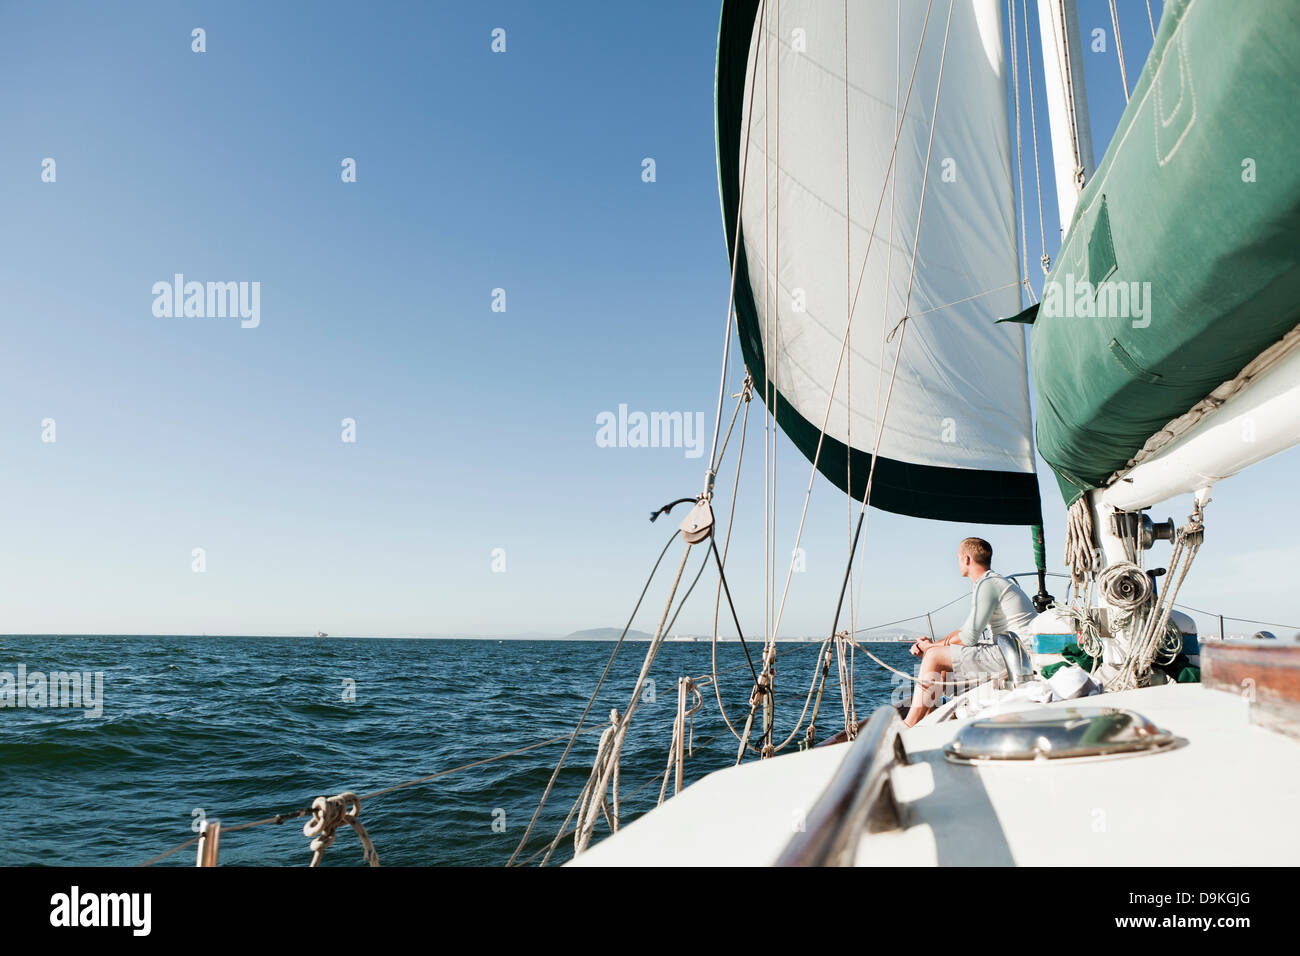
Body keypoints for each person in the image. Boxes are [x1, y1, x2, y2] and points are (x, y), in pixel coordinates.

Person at [901, 537, 1037, 727]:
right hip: (1014, 652)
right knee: (937, 657)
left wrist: (931, 648)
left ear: (966, 559)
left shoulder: (988, 584)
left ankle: (908, 724)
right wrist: (934, 645)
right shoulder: (990, 583)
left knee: (933, 657)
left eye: (957, 558)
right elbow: (967, 631)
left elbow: (969, 637)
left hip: (1016, 657)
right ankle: (927, 720)